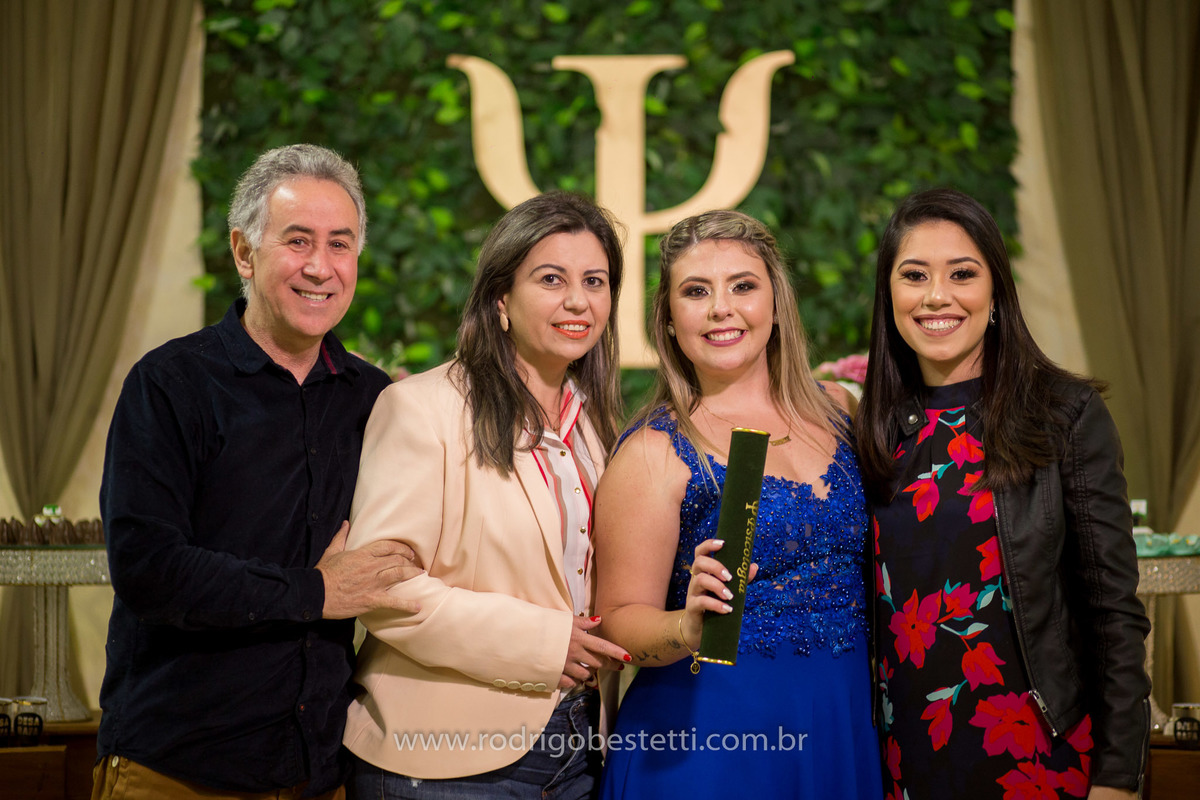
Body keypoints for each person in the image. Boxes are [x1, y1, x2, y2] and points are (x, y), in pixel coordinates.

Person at [93, 144, 421, 800]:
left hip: (319, 772)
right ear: (244, 252)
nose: (321, 268)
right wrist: (315, 591)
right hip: (177, 771)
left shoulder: (375, 400)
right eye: (298, 242)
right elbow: (148, 569)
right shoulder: (171, 385)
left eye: (341, 244)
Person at [855, 188, 1150, 800]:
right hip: (903, 758)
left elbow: (1113, 613)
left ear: (996, 292)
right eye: (915, 275)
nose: (937, 296)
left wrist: (1120, 775)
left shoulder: (1064, 415)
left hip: (1037, 752)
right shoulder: (872, 431)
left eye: (962, 273)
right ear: (890, 295)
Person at [342, 192, 631, 799]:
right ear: (501, 298)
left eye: (595, 281)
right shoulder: (422, 409)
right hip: (445, 759)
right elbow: (384, 588)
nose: (578, 300)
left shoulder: (598, 428)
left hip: (576, 748)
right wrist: (545, 643)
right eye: (551, 279)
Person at [594, 210, 883, 799]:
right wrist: (686, 626)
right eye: (696, 292)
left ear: (776, 304)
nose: (721, 308)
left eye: (743, 286)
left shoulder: (842, 410)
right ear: (669, 320)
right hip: (710, 742)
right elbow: (618, 622)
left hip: (839, 723)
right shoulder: (656, 450)